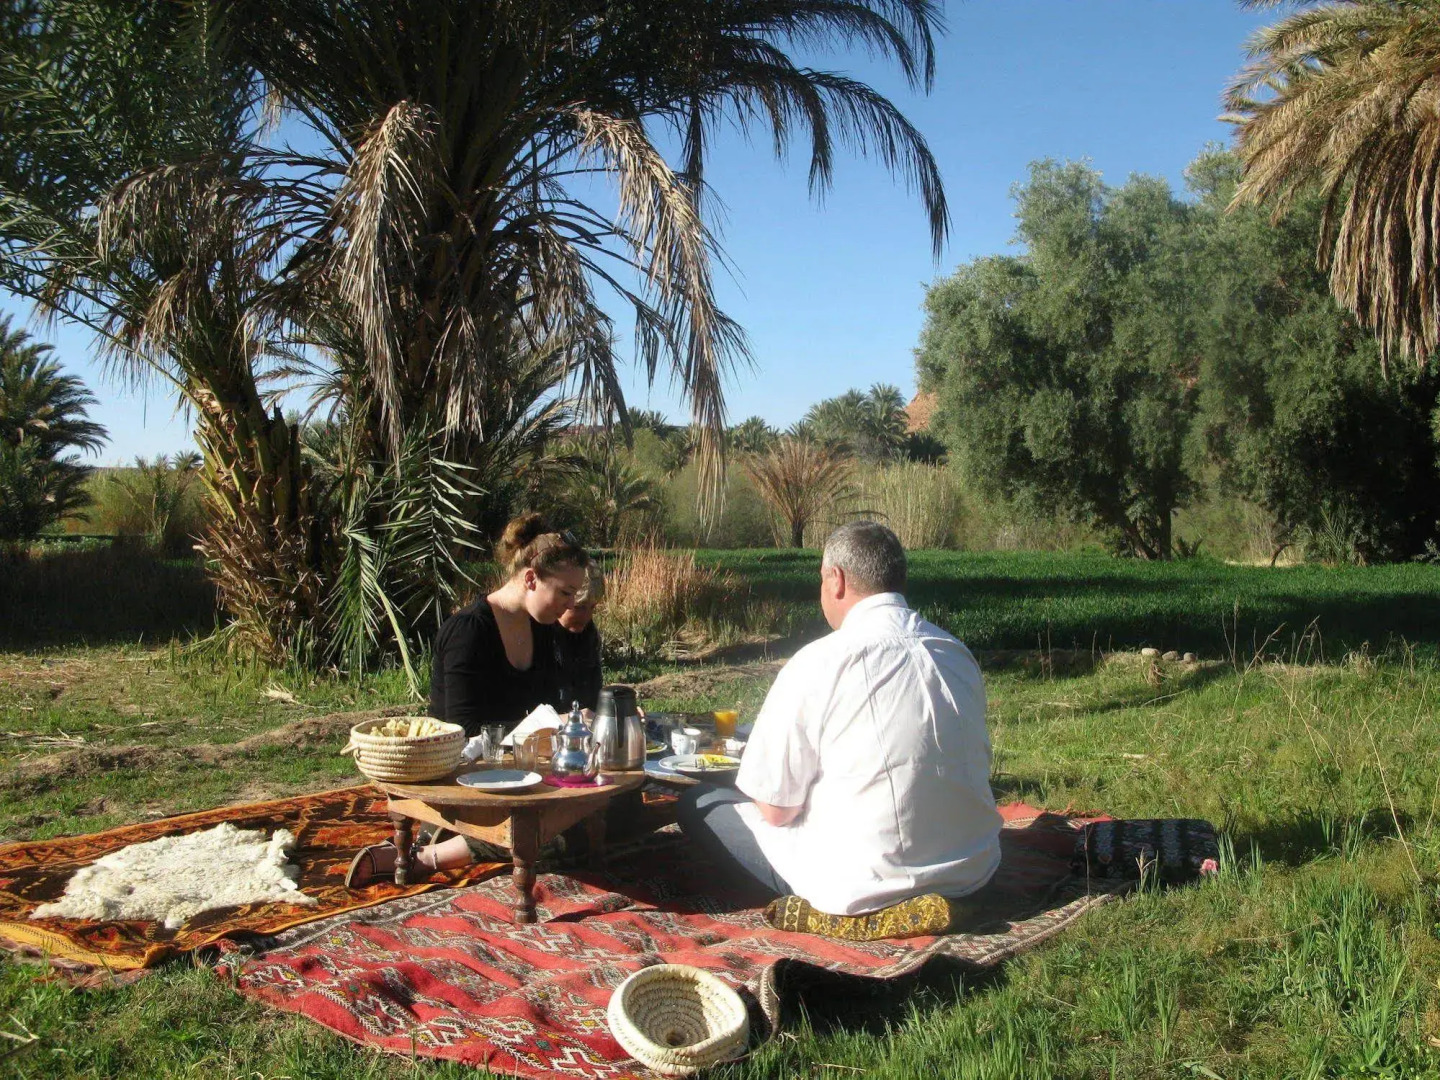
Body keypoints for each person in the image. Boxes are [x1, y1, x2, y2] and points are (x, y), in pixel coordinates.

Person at [676, 521, 1002, 915]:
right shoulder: (954, 652)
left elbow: (776, 812)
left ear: (837, 580)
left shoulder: (820, 661)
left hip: (865, 884)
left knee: (699, 801)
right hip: (973, 870)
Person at [346, 512, 589, 888]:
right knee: (571, 833)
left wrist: (575, 718)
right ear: (530, 579)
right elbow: (462, 732)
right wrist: (546, 725)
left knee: (608, 807)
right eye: (565, 593)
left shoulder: (542, 630)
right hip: (460, 778)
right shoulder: (468, 632)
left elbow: (548, 707)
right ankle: (428, 855)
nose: (570, 604)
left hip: (518, 776)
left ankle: (459, 841)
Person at [553, 562, 604, 712]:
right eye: (579, 607)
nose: (587, 616)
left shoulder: (589, 636)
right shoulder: (537, 636)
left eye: (592, 607)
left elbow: (594, 697)